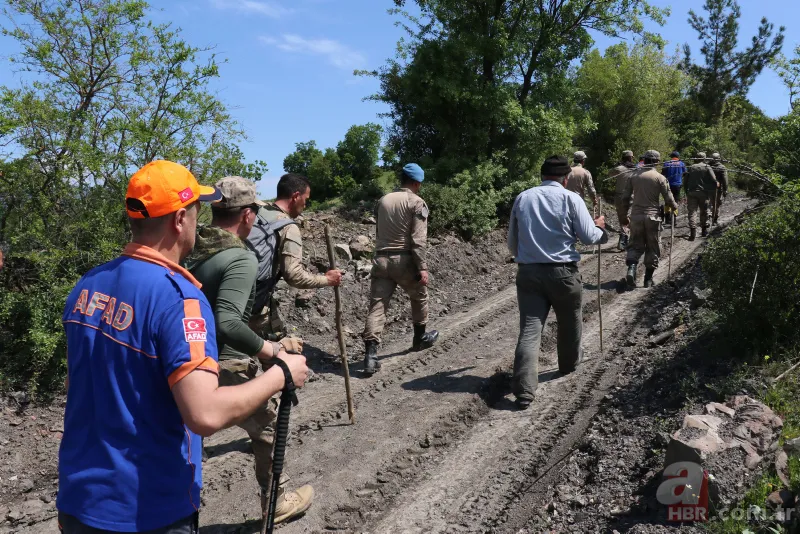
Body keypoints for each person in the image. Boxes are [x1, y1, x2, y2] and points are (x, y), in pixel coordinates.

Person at [57, 160, 309, 533]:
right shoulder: (179, 299)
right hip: (146, 508)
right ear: (179, 220)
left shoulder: (89, 285)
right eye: (194, 211)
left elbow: (86, 381)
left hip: (78, 499)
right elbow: (204, 415)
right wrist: (281, 374)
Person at [184, 176, 313, 526]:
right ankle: (278, 497)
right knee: (269, 426)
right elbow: (228, 322)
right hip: (220, 362)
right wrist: (270, 350)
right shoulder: (240, 258)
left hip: (187, 360)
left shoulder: (193, 249)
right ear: (248, 214)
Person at [507, 155, 608, 409]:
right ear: (565, 179)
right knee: (569, 320)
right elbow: (588, 237)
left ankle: (524, 390)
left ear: (542, 175)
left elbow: (512, 243)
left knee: (530, 330)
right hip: (563, 273)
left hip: (528, 273)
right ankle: (568, 364)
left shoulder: (523, 197)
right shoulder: (571, 198)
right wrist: (600, 229)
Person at [362, 163, 439, 375]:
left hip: (380, 260)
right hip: (403, 259)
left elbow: (378, 231)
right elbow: (418, 240)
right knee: (419, 295)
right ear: (416, 182)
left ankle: (370, 356)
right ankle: (420, 337)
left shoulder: (383, 200)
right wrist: (422, 267)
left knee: (377, 306)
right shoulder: (416, 202)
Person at [248, 174, 342, 340]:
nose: (305, 204)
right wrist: (326, 280)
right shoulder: (287, 227)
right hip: (254, 302)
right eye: (305, 199)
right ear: (296, 196)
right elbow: (294, 275)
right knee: (282, 352)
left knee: (275, 336)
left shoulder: (257, 213)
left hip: (237, 293)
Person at [621, 150, 678, 288]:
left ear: (645, 160)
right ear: (657, 162)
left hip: (636, 216)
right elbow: (669, 199)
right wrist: (675, 207)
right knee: (653, 247)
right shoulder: (660, 178)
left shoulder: (633, 176)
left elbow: (625, 198)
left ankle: (632, 268)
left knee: (635, 244)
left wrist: (623, 215)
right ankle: (647, 279)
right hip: (653, 217)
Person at [683, 152, 719, 241]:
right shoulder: (707, 167)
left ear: (696, 158)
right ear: (705, 158)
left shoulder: (691, 167)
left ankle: (693, 232)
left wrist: (686, 191)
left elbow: (685, 181)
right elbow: (713, 179)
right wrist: (716, 184)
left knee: (692, 212)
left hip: (691, 192)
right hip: (703, 192)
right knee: (704, 211)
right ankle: (704, 231)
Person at [610, 150, 637, 250]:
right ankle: (626, 237)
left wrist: (617, 165)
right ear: (631, 158)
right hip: (631, 196)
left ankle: (624, 237)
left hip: (619, 196)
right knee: (628, 217)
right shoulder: (635, 169)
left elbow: (610, 174)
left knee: (622, 217)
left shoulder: (619, 168)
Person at [661, 151, 686, 225]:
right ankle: (674, 219)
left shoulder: (667, 163)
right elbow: (685, 173)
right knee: (675, 201)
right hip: (677, 185)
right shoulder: (681, 163)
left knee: (667, 200)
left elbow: (663, 174)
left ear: (671, 156)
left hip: (668, 185)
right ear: (678, 156)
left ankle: (667, 218)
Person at [709, 152, 728, 225]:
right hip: (717, 189)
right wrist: (725, 190)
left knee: (709, 204)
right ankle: (714, 219)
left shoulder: (708, 166)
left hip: (707, 188)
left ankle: (708, 216)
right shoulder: (722, 167)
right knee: (716, 204)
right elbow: (725, 180)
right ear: (719, 158)